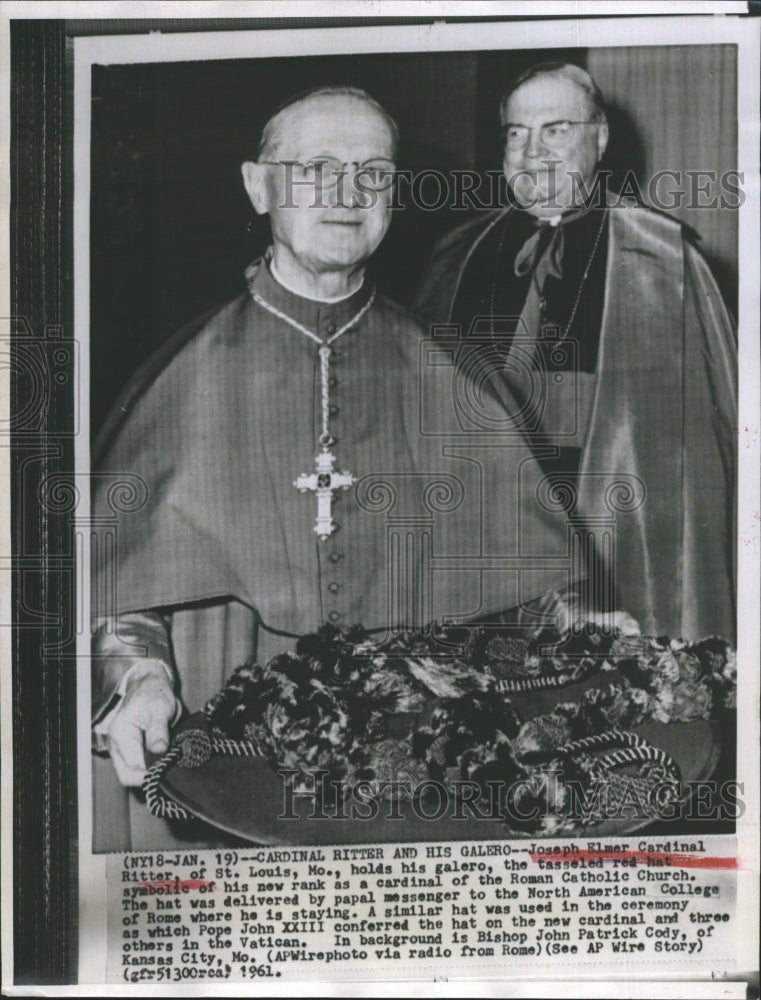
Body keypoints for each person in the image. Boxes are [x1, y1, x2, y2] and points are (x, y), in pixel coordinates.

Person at [91, 86, 579, 850]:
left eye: (373, 174)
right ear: (259, 186)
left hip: (412, 750)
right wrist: (143, 679)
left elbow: (514, 580)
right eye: (317, 168)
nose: (348, 195)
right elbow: (122, 586)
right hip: (221, 734)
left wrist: (574, 623)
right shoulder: (181, 375)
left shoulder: (452, 371)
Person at [414, 62, 736, 644]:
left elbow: (712, 456)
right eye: (516, 133)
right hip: (480, 546)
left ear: (601, 138)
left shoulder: (665, 262)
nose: (533, 151)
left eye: (556, 129)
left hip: (617, 547)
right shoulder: (458, 253)